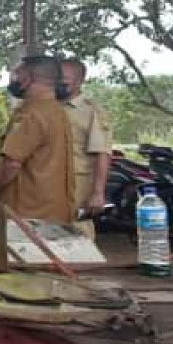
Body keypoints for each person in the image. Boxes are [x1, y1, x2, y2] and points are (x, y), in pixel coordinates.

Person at [0, 55, 75, 223]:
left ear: (28, 78)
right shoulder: (58, 111)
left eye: (17, 74)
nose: (13, 79)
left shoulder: (31, 114)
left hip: (27, 211)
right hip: (55, 208)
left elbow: (11, 164)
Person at [60, 59, 112, 224]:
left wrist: (98, 193)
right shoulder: (49, 108)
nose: (58, 83)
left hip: (78, 185)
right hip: (48, 183)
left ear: (79, 81)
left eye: (64, 79)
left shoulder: (91, 112)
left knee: (77, 231)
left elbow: (102, 153)